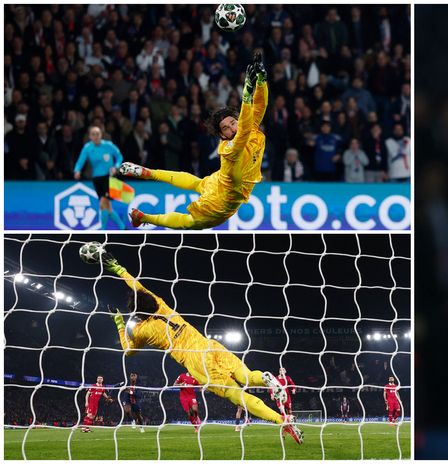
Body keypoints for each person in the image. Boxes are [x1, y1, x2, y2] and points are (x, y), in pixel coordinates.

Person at [89, 248, 303, 445]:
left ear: (136, 312)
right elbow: (137, 286)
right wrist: (116, 267)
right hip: (209, 344)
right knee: (247, 375)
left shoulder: (141, 330)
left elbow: (128, 350)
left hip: (194, 359)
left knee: (236, 395)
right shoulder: (161, 305)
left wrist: (119, 323)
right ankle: (265, 378)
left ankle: (281, 420)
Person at [120, 52, 269, 229]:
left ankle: (148, 173)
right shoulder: (230, 149)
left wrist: (261, 80)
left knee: (197, 183)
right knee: (190, 222)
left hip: (219, 181)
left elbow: (260, 106)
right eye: (225, 128)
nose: (232, 128)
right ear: (222, 136)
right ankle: (146, 217)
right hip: (223, 201)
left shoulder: (250, 128)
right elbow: (243, 130)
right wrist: (246, 96)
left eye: (232, 123)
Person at [73, 126, 127, 230]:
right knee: (108, 207)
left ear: (101, 135)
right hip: (97, 179)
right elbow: (80, 161)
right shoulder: (87, 148)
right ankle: (123, 228)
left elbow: (119, 156)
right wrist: (77, 170)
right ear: (90, 136)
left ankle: (103, 231)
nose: (96, 136)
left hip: (110, 178)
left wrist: (116, 167)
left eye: (97, 134)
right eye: (93, 134)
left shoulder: (108, 145)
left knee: (102, 203)